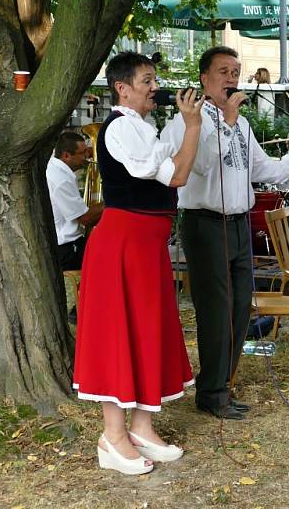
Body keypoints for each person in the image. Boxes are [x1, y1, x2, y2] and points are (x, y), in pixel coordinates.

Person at [160, 46, 289, 420]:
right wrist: (226, 122)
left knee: (239, 307)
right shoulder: (187, 122)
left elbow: (260, 169)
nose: (232, 79)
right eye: (223, 72)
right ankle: (211, 392)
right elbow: (197, 167)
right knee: (215, 310)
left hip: (238, 224)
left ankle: (222, 384)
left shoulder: (242, 125)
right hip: (205, 223)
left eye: (235, 71)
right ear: (204, 78)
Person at [73, 51, 202, 475]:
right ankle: (112, 438)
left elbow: (171, 164)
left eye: (154, 79)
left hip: (145, 245)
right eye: (146, 80)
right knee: (118, 333)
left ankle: (142, 426)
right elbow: (177, 176)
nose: (154, 87)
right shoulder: (120, 129)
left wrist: (189, 124)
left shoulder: (142, 127)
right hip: (122, 245)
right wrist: (194, 125)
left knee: (148, 330)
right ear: (122, 87)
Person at [46, 131, 104, 272]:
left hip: (66, 245)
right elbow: (85, 218)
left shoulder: (55, 168)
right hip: (68, 248)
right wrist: (114, 199)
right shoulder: (61, 178)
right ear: (66, 155)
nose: (87, 157)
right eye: (83, 153)